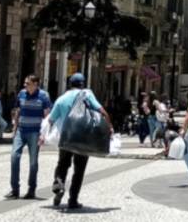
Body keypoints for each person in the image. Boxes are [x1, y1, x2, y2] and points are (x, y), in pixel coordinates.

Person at [45, 73, 112, 209]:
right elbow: (102, 111)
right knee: (79, 169)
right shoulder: (86, 94)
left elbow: (50, 119)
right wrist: (109, 127)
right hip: (83, 138)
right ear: (83, 84)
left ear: (70, 84)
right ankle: (73, 200)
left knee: (62, 164)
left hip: (66, 137)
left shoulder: (61, 99)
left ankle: (59, 184)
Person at [7, 75, 52, 200]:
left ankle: (31, 189)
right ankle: (14, 189)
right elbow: (17, 110)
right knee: (14, 157)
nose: (25, 85)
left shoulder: (44, 96)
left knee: (33, 162)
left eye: (28, 83)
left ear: (36, 84)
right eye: (25, 83)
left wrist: (43, 133)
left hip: (35, 132)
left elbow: (47, 115)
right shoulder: (21, 94)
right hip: (21, 131)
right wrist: (14, 128)